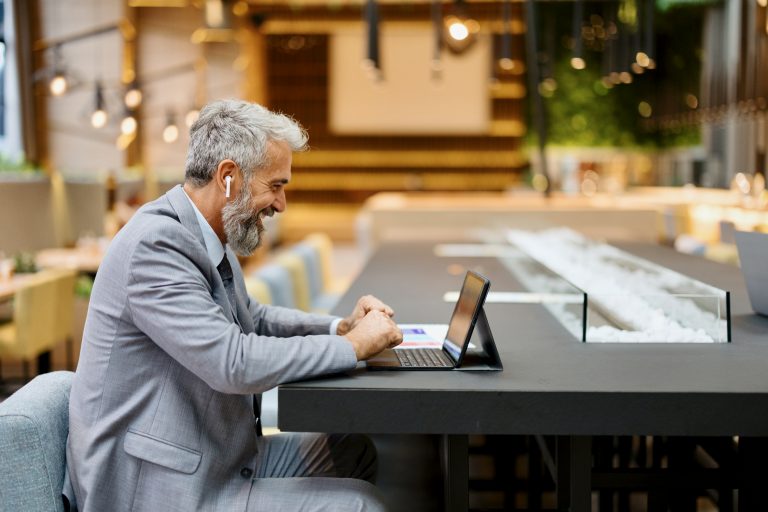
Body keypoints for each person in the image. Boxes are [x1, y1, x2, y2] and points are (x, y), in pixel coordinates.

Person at [65, 99, 403, 512]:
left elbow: (254, 320)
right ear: (228, 177)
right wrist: (354, 348)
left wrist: (341, 329)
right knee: (361, 505)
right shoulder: (155, 246)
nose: (281, 205)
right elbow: (232, 361)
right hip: (155, 487)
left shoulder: (206, 236)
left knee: (351, 451)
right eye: (275, 185)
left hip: (211, 453)